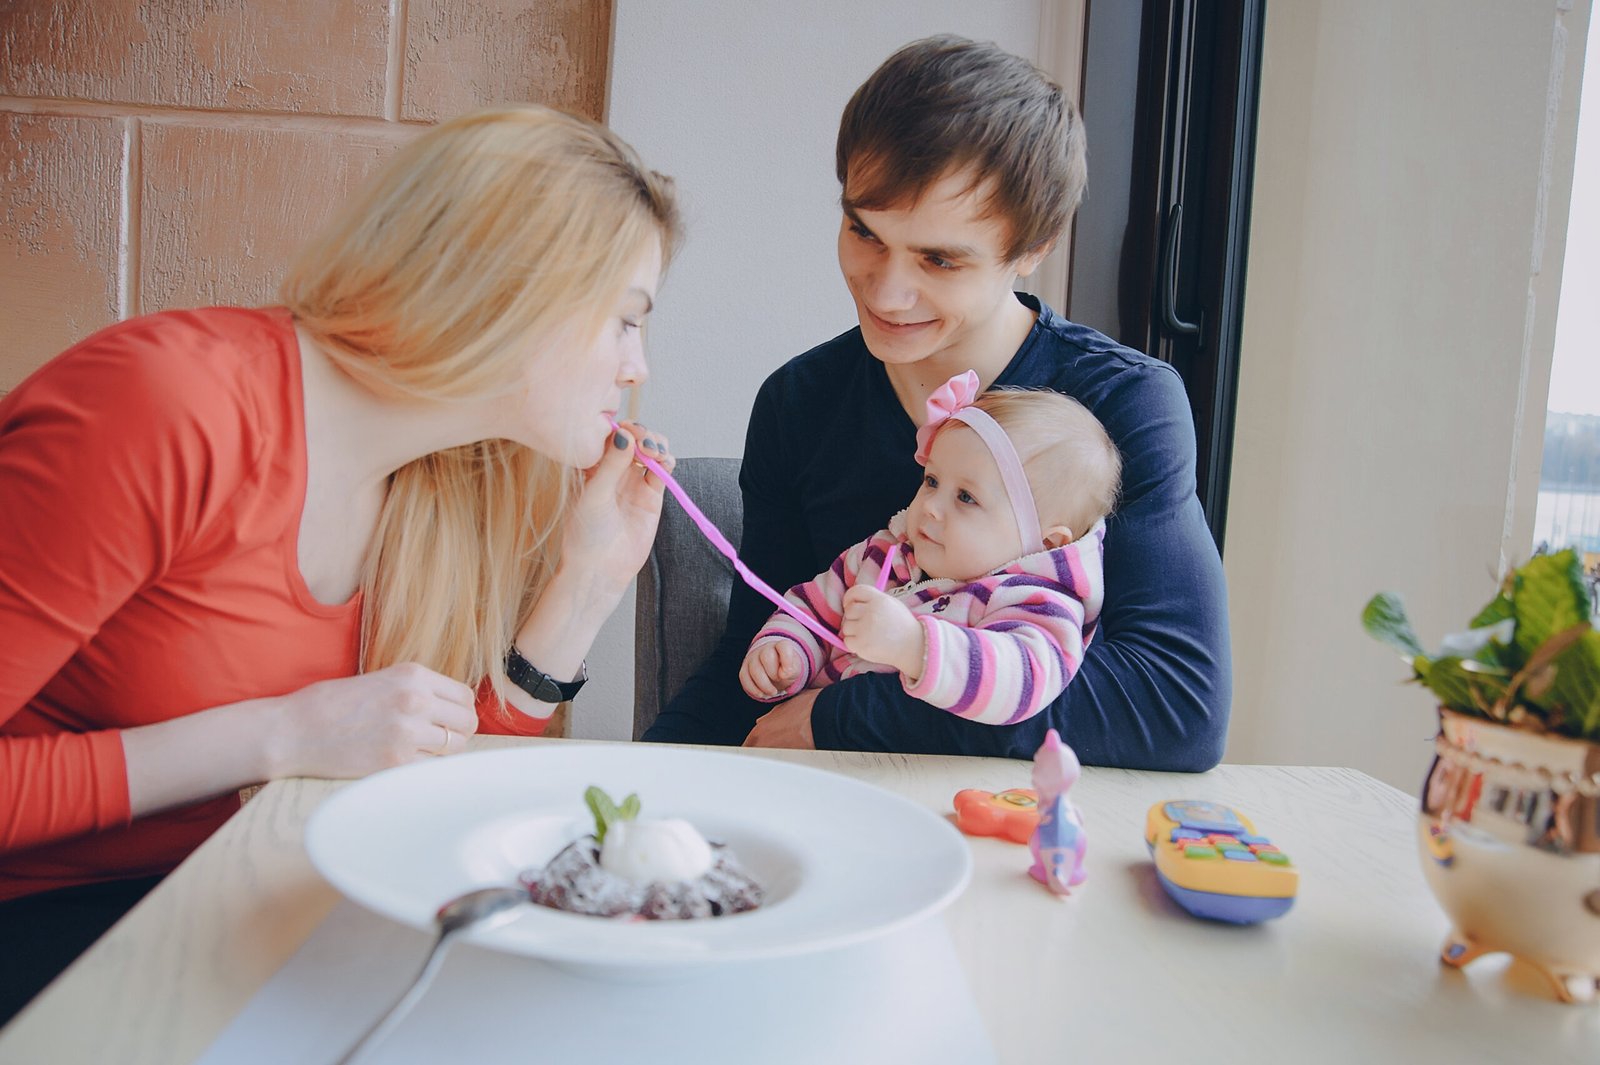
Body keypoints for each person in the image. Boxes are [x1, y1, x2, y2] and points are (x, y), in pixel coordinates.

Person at [0, 105, 680, 1022]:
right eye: (626, 321)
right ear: (517, 292)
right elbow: (310, 738)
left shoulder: (443, 476)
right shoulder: (165, 410)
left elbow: (416, 770)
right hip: (51, 916)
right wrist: (276, 734)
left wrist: (587, 587)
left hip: (248, 889)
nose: (636, 367)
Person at [644, 35, 1232, 767]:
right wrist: (625, 782)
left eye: (940, 259)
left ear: (1034, 247)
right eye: (864, 231)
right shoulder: (798, 402)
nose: (885, 292)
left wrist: (845, 713)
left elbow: (1175, 704)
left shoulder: (1125, 403)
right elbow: (755, 660)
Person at [740, 373, 1119, 728]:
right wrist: (785, 650)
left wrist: (913, 644)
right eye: (932, 480)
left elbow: (1021, 681)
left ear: (1047, 542)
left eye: (966, 497)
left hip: (927, 775)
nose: (932, 506)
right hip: (827, 758)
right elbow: (810, 609)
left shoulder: (1034, 601)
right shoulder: (883, 554)